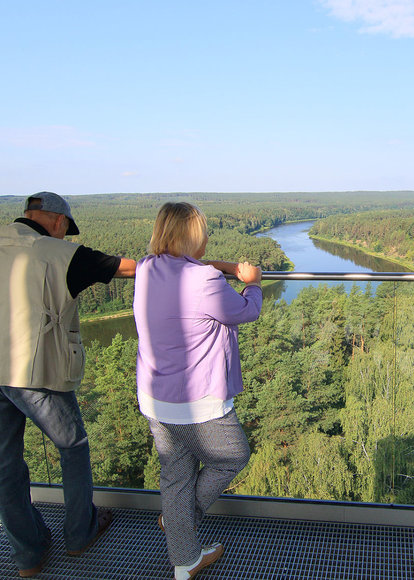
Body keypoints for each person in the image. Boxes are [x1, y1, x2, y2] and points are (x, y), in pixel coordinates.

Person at [0, 191, 136, 577]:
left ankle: (28, 555)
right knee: (72, 447)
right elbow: (133, 268)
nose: (64, 234)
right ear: (58, 222)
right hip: (30, 372)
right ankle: (80, 532)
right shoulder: (62, 253)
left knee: (4, 465)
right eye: (65, 229)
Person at [133, 202, 261, 580]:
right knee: (233, 456)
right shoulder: (204, 282)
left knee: (176, 474)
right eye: (203, 232)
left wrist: (222, 266)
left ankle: (185, 561)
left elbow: (187, 266)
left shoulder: (146, 268)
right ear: (193, 237)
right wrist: (251, 281)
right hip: (197, 402)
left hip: (154, 397)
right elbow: (244, 311)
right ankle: (179, 522)